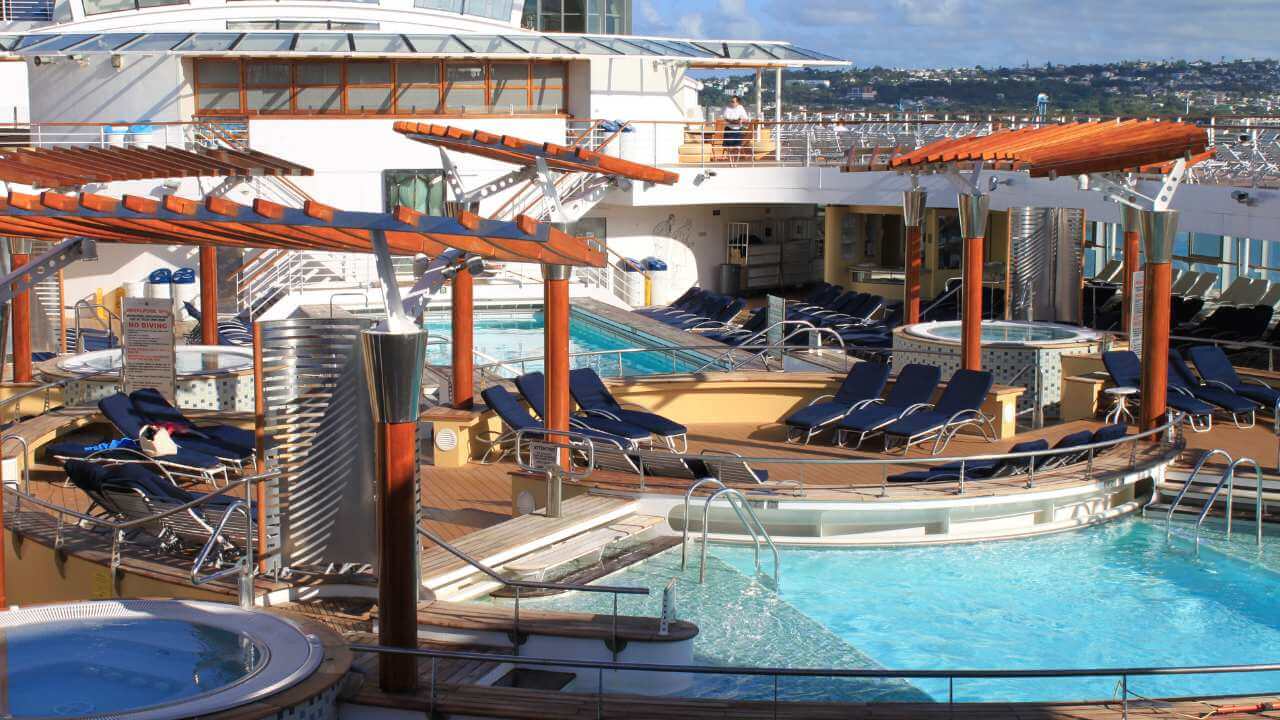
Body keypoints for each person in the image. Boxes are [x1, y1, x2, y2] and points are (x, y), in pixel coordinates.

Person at [721, 96, 751, 160]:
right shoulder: (727, 108)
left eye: (733, 102)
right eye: (731, 101)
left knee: (737, 147)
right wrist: (733, 121)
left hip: (737, 130)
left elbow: (746, 119)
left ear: (738, 102)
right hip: (729, 129)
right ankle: (731, 162)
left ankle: (735, 162)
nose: (731, 103)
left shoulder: (740, 108)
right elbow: (725, 118)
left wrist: (741, 120)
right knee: (728, 148)